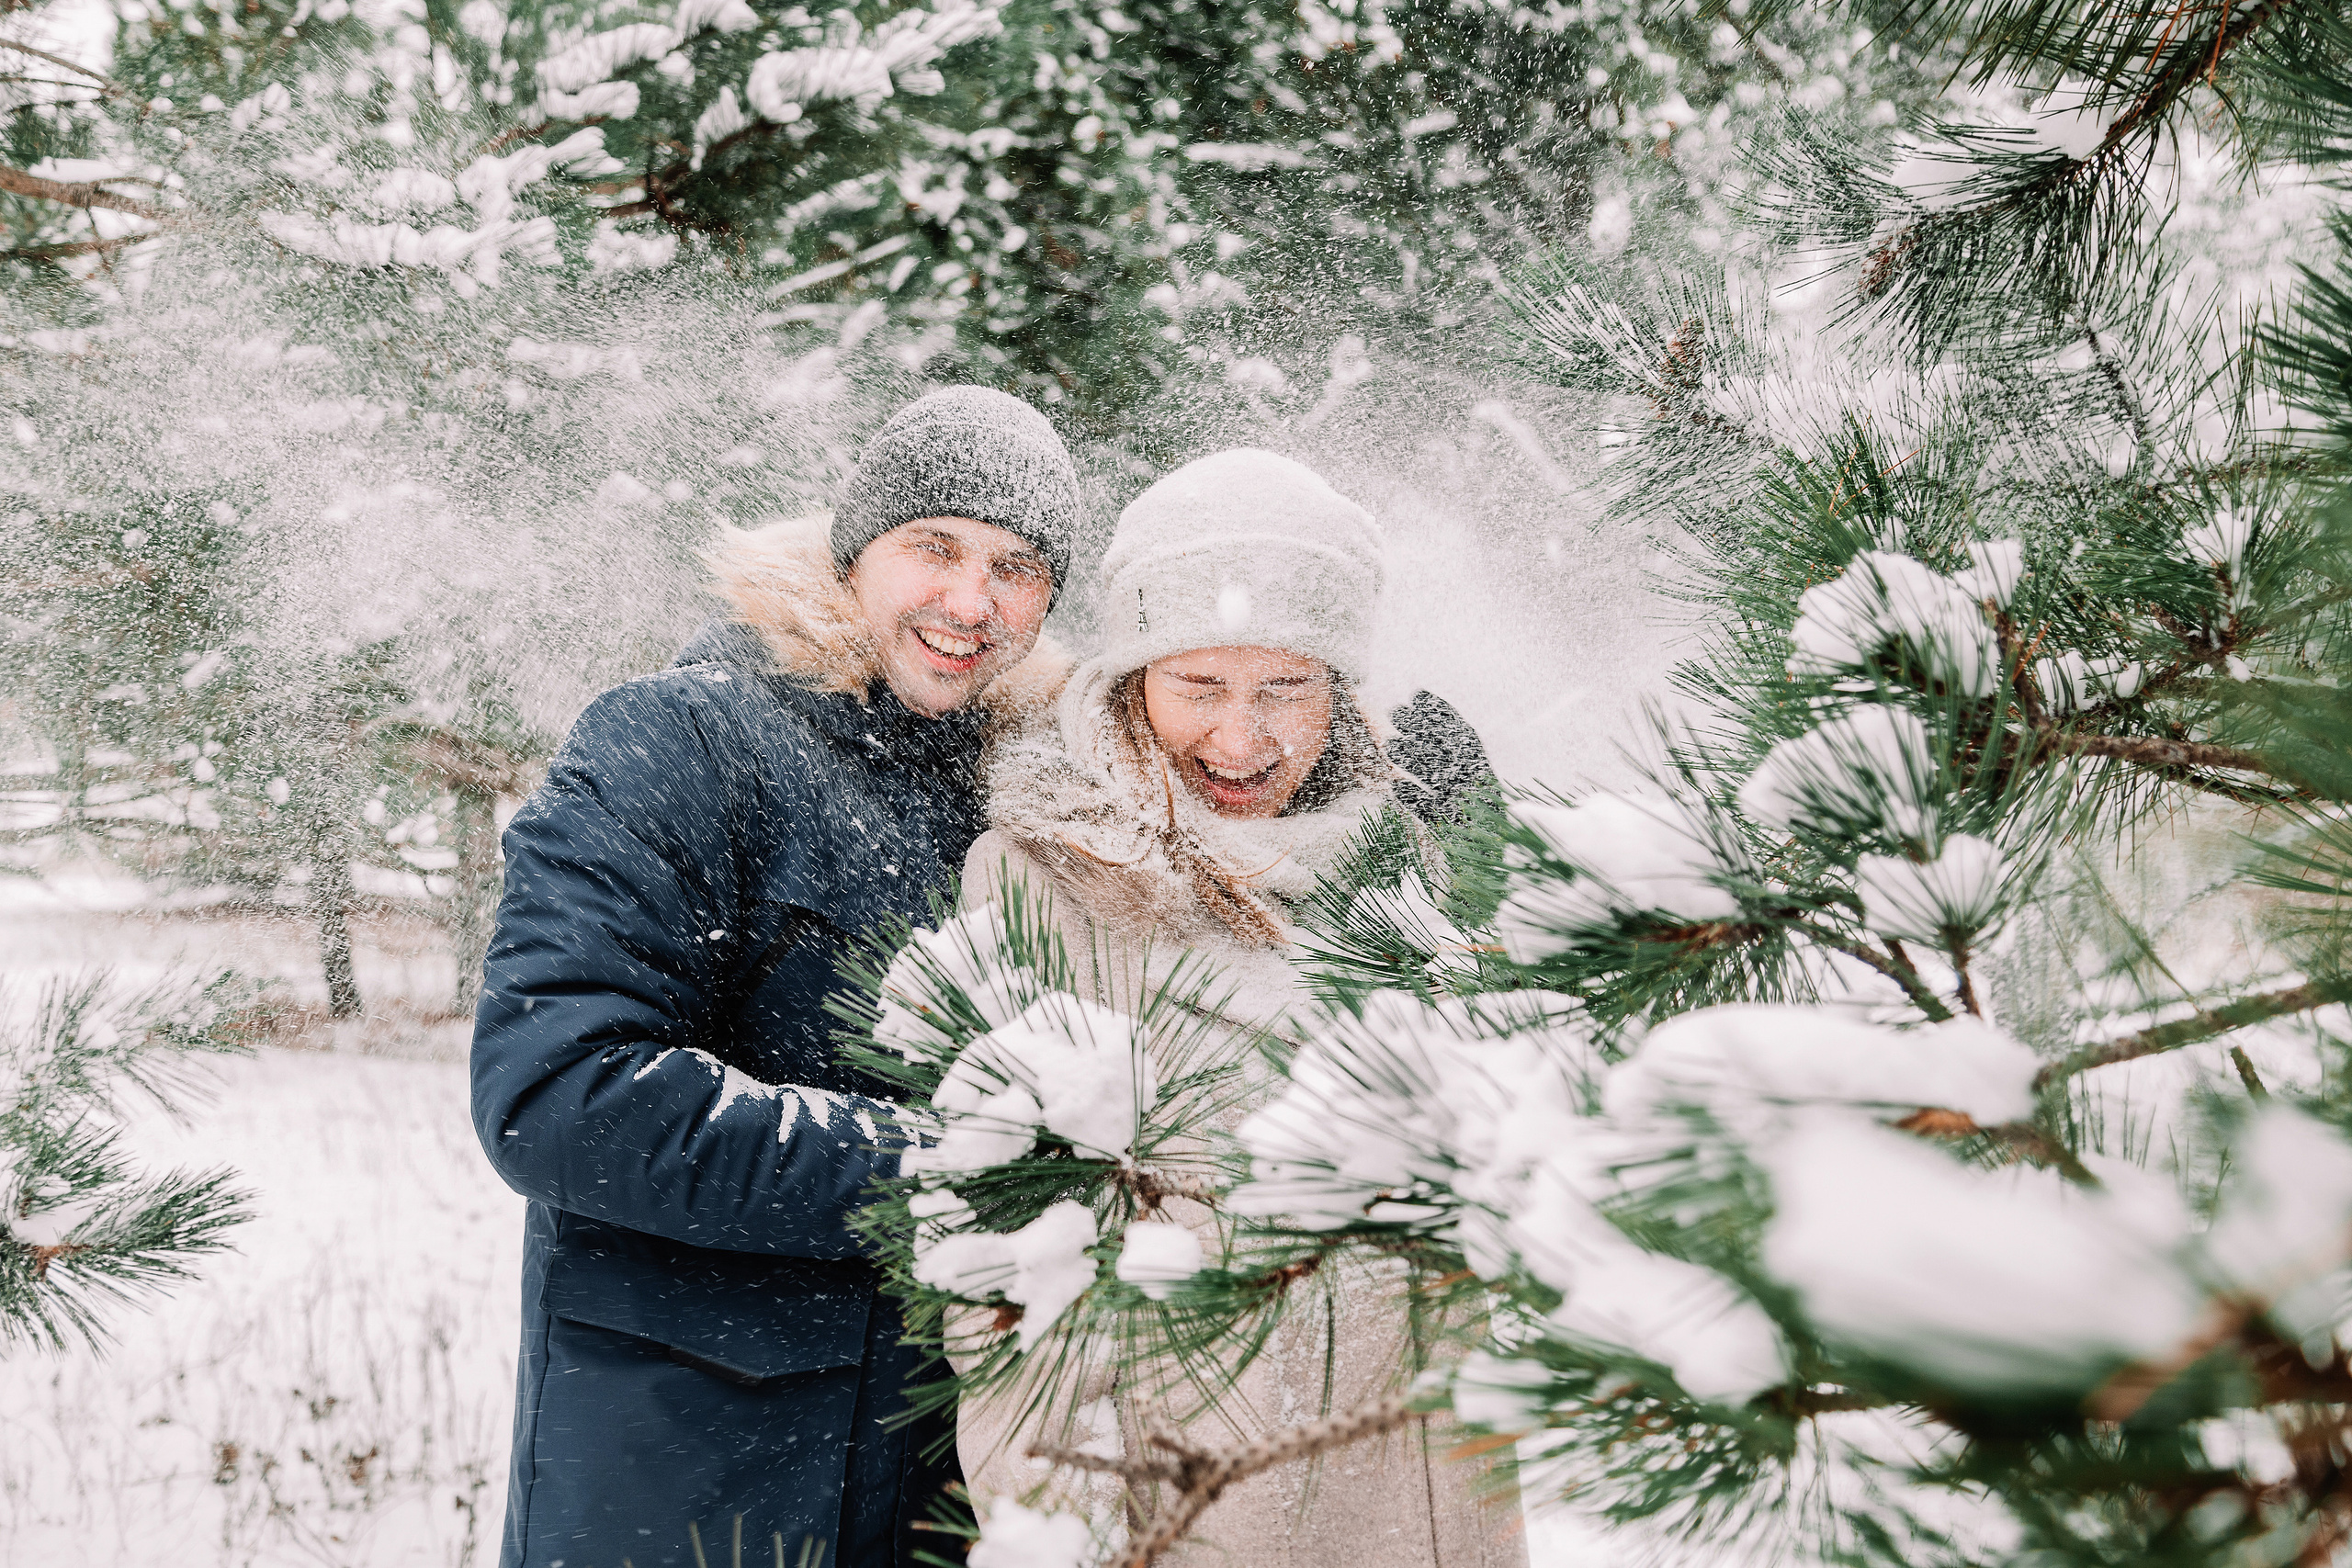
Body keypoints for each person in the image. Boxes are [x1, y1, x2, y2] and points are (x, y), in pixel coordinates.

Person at [470, 386, 1080, 1568]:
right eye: (936, 549)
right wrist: (947, 1171)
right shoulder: (678, 739)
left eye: (1017, 568)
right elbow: (554, 1099)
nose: (972, 601)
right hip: (690, 1484)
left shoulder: (1021, 804)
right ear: (855, 554)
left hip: (933, 1498)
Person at [956, 448, 1522, 1567]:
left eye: (1286, 687)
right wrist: (1057, 1537)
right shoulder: (1042, 878)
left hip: (1419, 1502)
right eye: (1198, 686)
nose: (1239, 738)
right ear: (1130, 679)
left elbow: (1550, 1162)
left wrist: (1496, 901)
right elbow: (1013, 1273)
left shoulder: (1409, 863)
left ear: (1344, 685)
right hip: (1188, 1504)